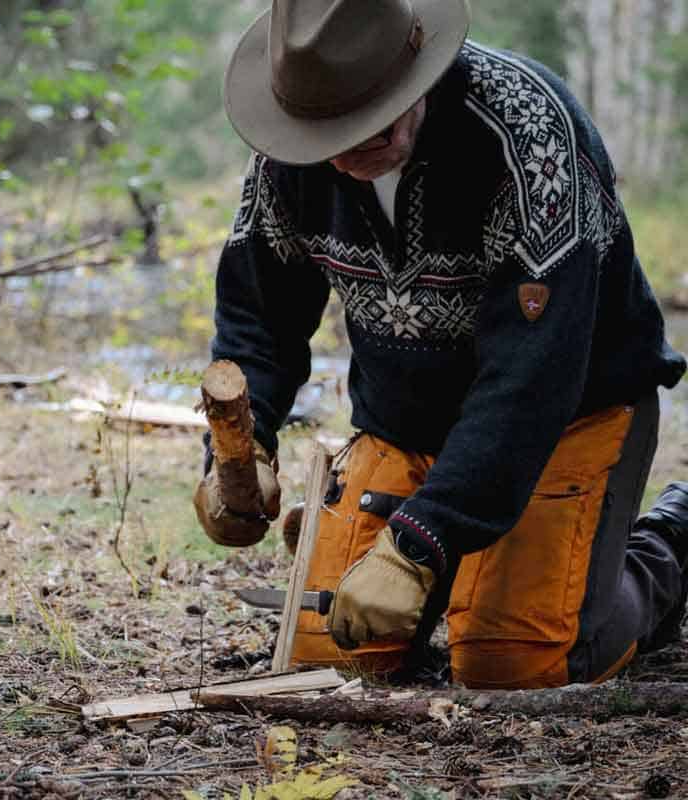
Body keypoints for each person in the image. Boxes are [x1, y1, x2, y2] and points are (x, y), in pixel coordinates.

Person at [193, 0, 688, 689]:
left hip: (567, 416)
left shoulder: (530, 137)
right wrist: (239, 456)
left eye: (370, 120)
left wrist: (419, 542)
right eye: (327, 131)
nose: (346, 149)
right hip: (406, 424)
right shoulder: (291, 148)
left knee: (513, 661)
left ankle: (668, 544)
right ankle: (465, 565)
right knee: (335, 650)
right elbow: (257, 316)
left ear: (418, 70)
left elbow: (531, 381)